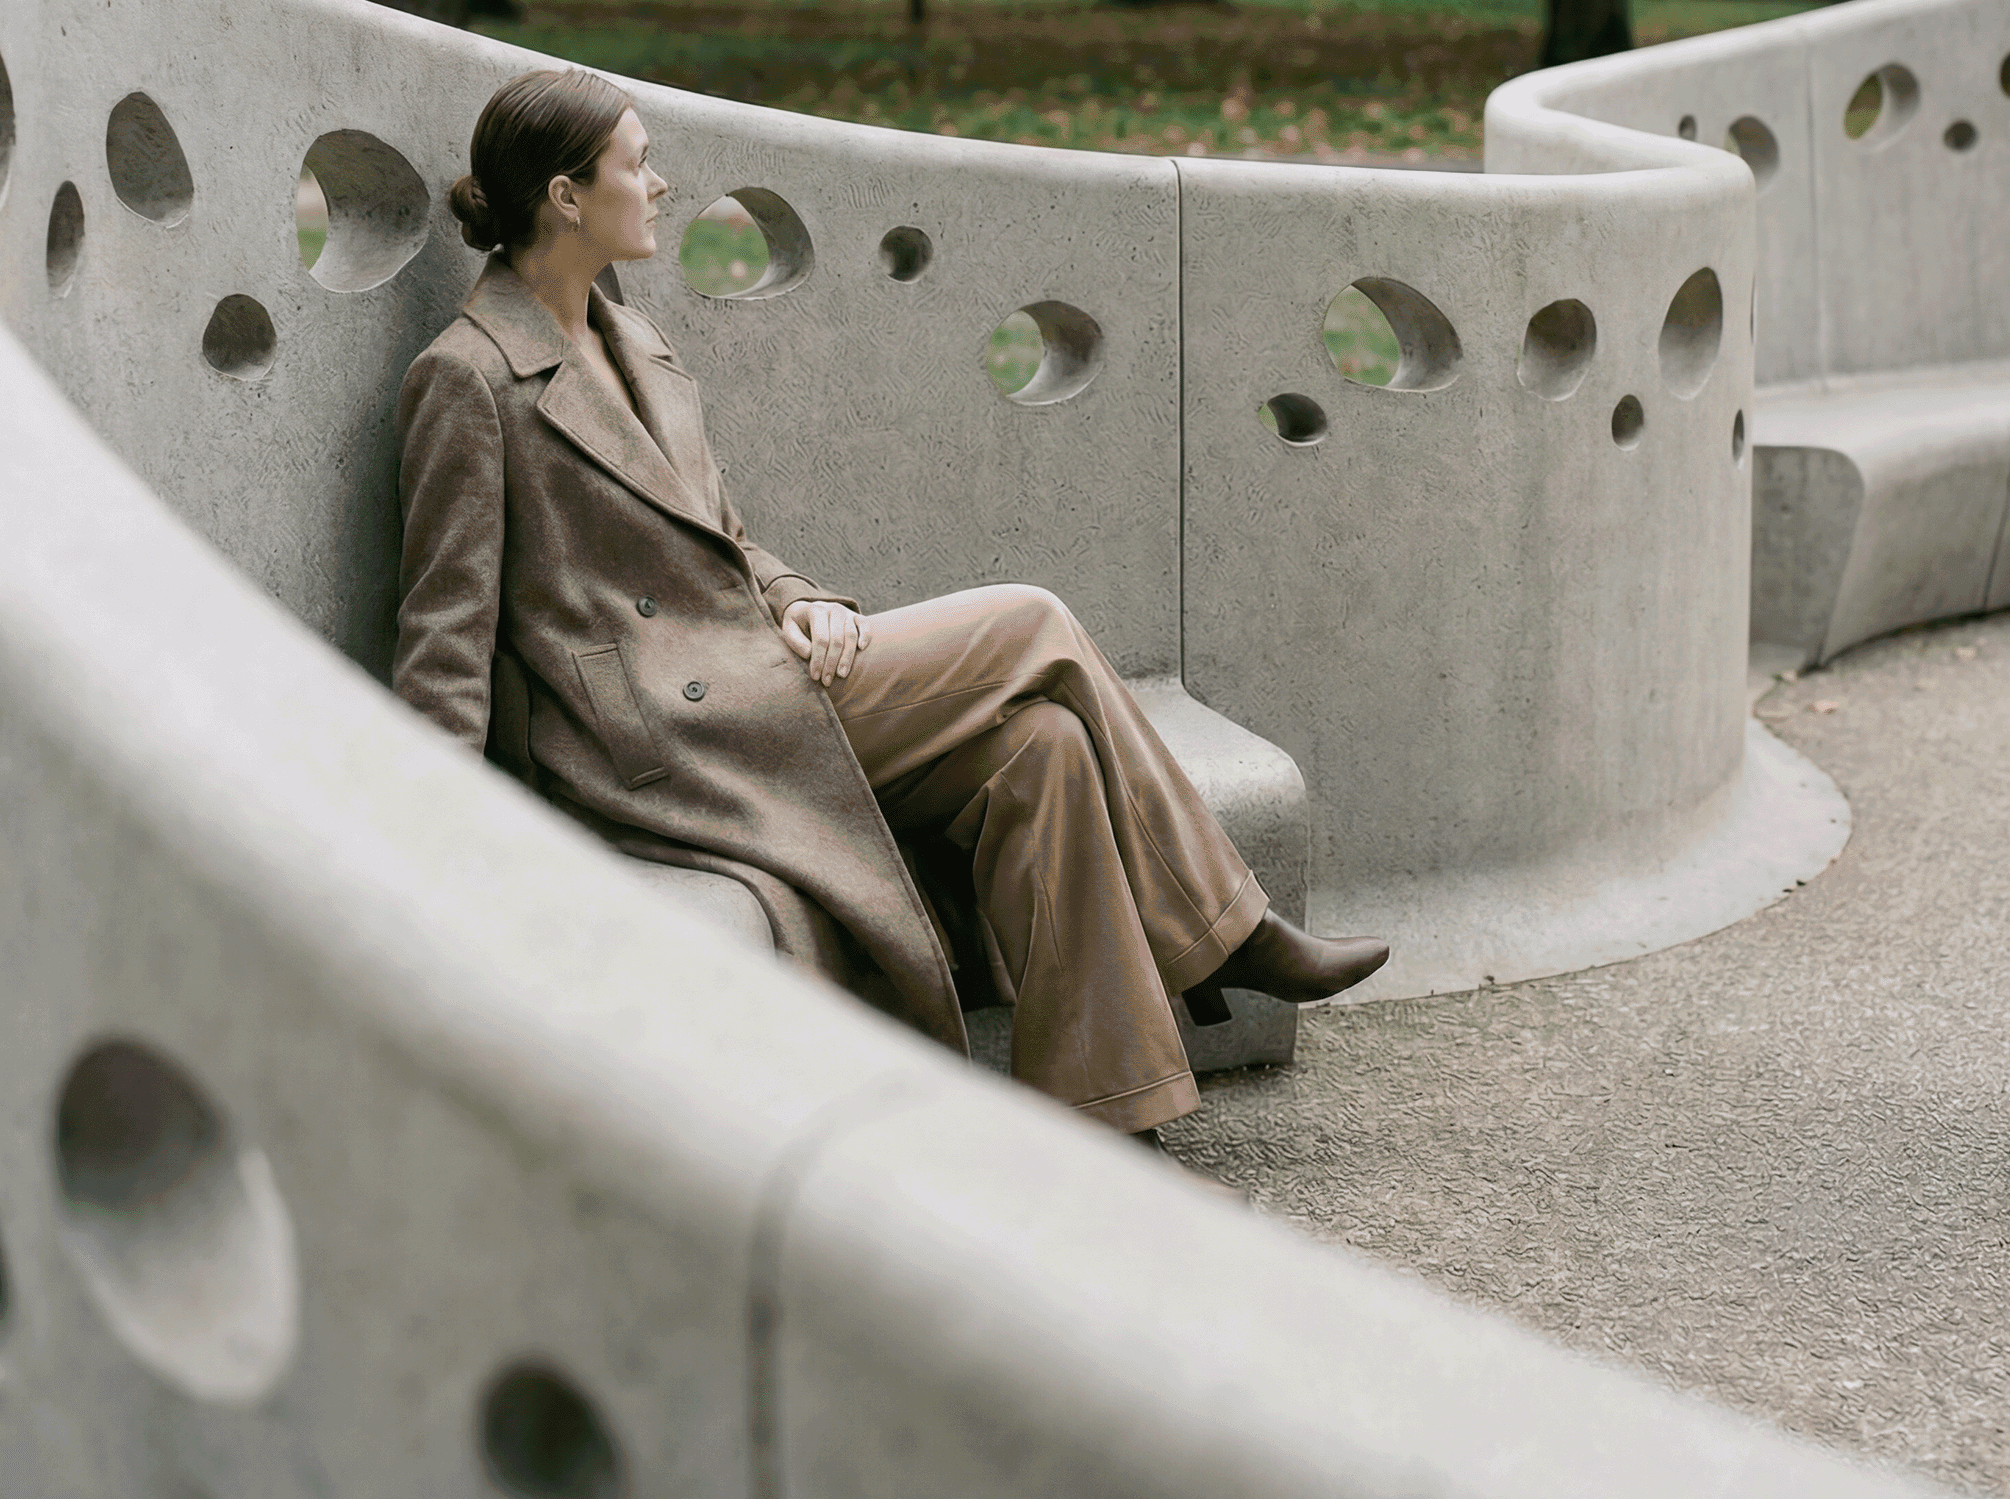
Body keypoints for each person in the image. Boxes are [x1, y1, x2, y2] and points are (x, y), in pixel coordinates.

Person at [392, 66, 1388, 1140]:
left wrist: (802, 599)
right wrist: (443, 850)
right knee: (1033, 622)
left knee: (1043, 746)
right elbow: (445, 637)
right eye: (638, 163)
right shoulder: (470, 378)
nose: (664, 183)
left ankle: (1107, 1117)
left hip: (752, 672)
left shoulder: (634, 341)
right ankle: (1227, 930)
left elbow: (717, 542)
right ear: (567, 197)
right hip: (659, 737)